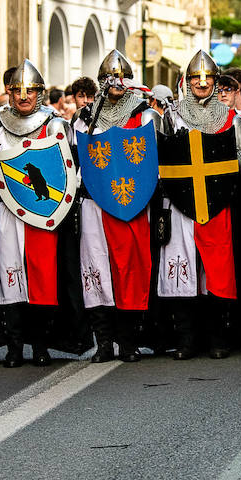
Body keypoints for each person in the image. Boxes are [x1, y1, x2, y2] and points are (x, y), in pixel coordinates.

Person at [156, 51, 241, 359]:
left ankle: (217, 338)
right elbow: (162, 158)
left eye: (207, 78)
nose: (201, 82)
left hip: (216, 202)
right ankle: (186, 339)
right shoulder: (172, 115)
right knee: (183, 271)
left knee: (216, 272)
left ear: (215, 81)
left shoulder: (228, 117)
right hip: (180, 201)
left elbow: (240, 159)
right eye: (196, 77)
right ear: (188, 80)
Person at [74, 51, 163, 363]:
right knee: (96, 268)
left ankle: (128, 342)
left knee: (130, 270)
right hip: (94, 202)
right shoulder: (85, 118)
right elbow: (75, 159)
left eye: (122, 78)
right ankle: (103, 343)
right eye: (111, 79)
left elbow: (156, 161)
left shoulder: (145, 115)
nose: (117, 83)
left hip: (131, 202)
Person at [0, 61, 73, 367]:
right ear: (9, 92)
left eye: (30, 90)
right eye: (18, 90)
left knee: (42, 277)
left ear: (40, 93)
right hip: (8, 209)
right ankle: (14, 346)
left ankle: (41, 345)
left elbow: (66, 169)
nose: (24, 96)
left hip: (45, 211)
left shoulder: (55, 124)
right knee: (11, 277)